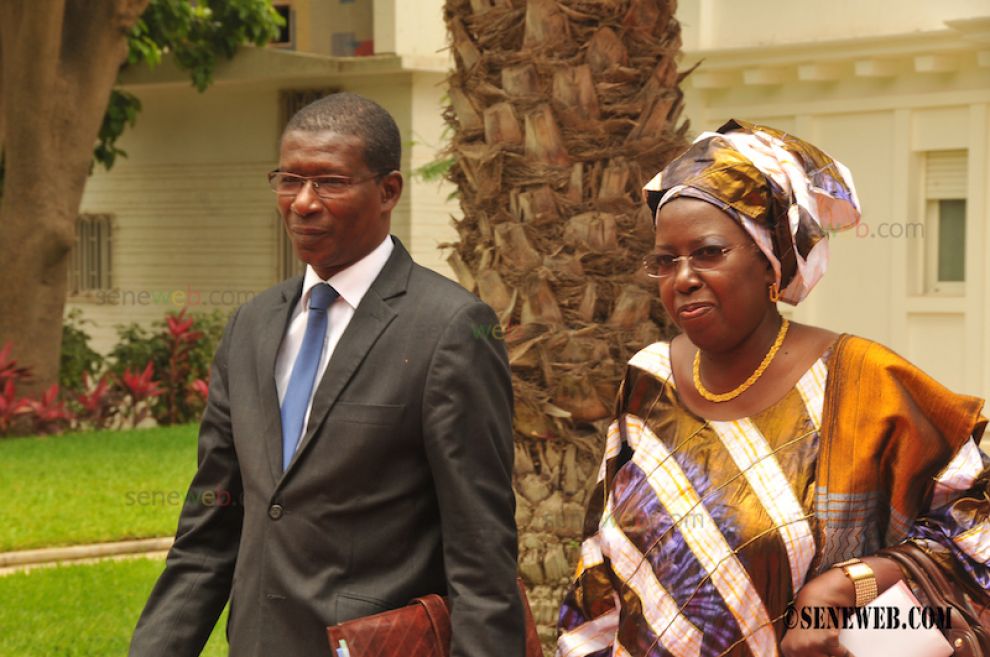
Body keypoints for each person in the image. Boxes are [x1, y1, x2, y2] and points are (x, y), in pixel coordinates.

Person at [556, 119, 989, 657]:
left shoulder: (862, 382)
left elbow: (978, 536)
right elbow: (599, 568)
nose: (683, 277)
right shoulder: (649, 379)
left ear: (770, 261)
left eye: (709, 252)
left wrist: (847, 584)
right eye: (665, 261)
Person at [129, 92, 525, 657]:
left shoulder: (450, 329)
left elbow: (480, 547)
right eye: (289, 180)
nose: (303, 203)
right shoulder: (252, 327)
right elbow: (210, 528)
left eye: (330, 182)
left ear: (389, 191)